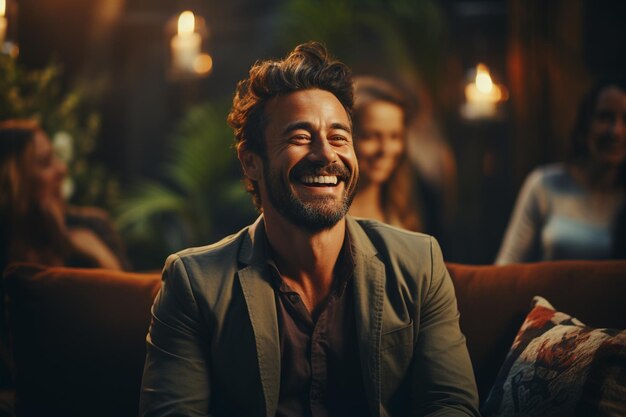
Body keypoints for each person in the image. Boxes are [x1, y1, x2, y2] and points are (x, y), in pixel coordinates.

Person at [140, 42, 479, 417]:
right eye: (300, 137)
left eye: (339, 137)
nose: (326, 154)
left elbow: (450, 405)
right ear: (251, 162)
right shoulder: (194, 284)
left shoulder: (420, 263)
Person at [496, 80, 626, 264]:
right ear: (585, 125)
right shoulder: (544, 184)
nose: (616, 131)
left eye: (625, 120)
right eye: (605, 117)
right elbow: (506, 267)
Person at [0, 119, 129, 272]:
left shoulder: (93, 226)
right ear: (14, 183)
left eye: (55, 157)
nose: (62, 168)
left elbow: (130, 292)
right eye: (45, 162)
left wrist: (101, 256)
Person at [348, 76, 424, 232]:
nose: (385, 150)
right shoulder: (328, 215)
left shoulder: (404, 210)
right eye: (370, 136)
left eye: (395, 136)